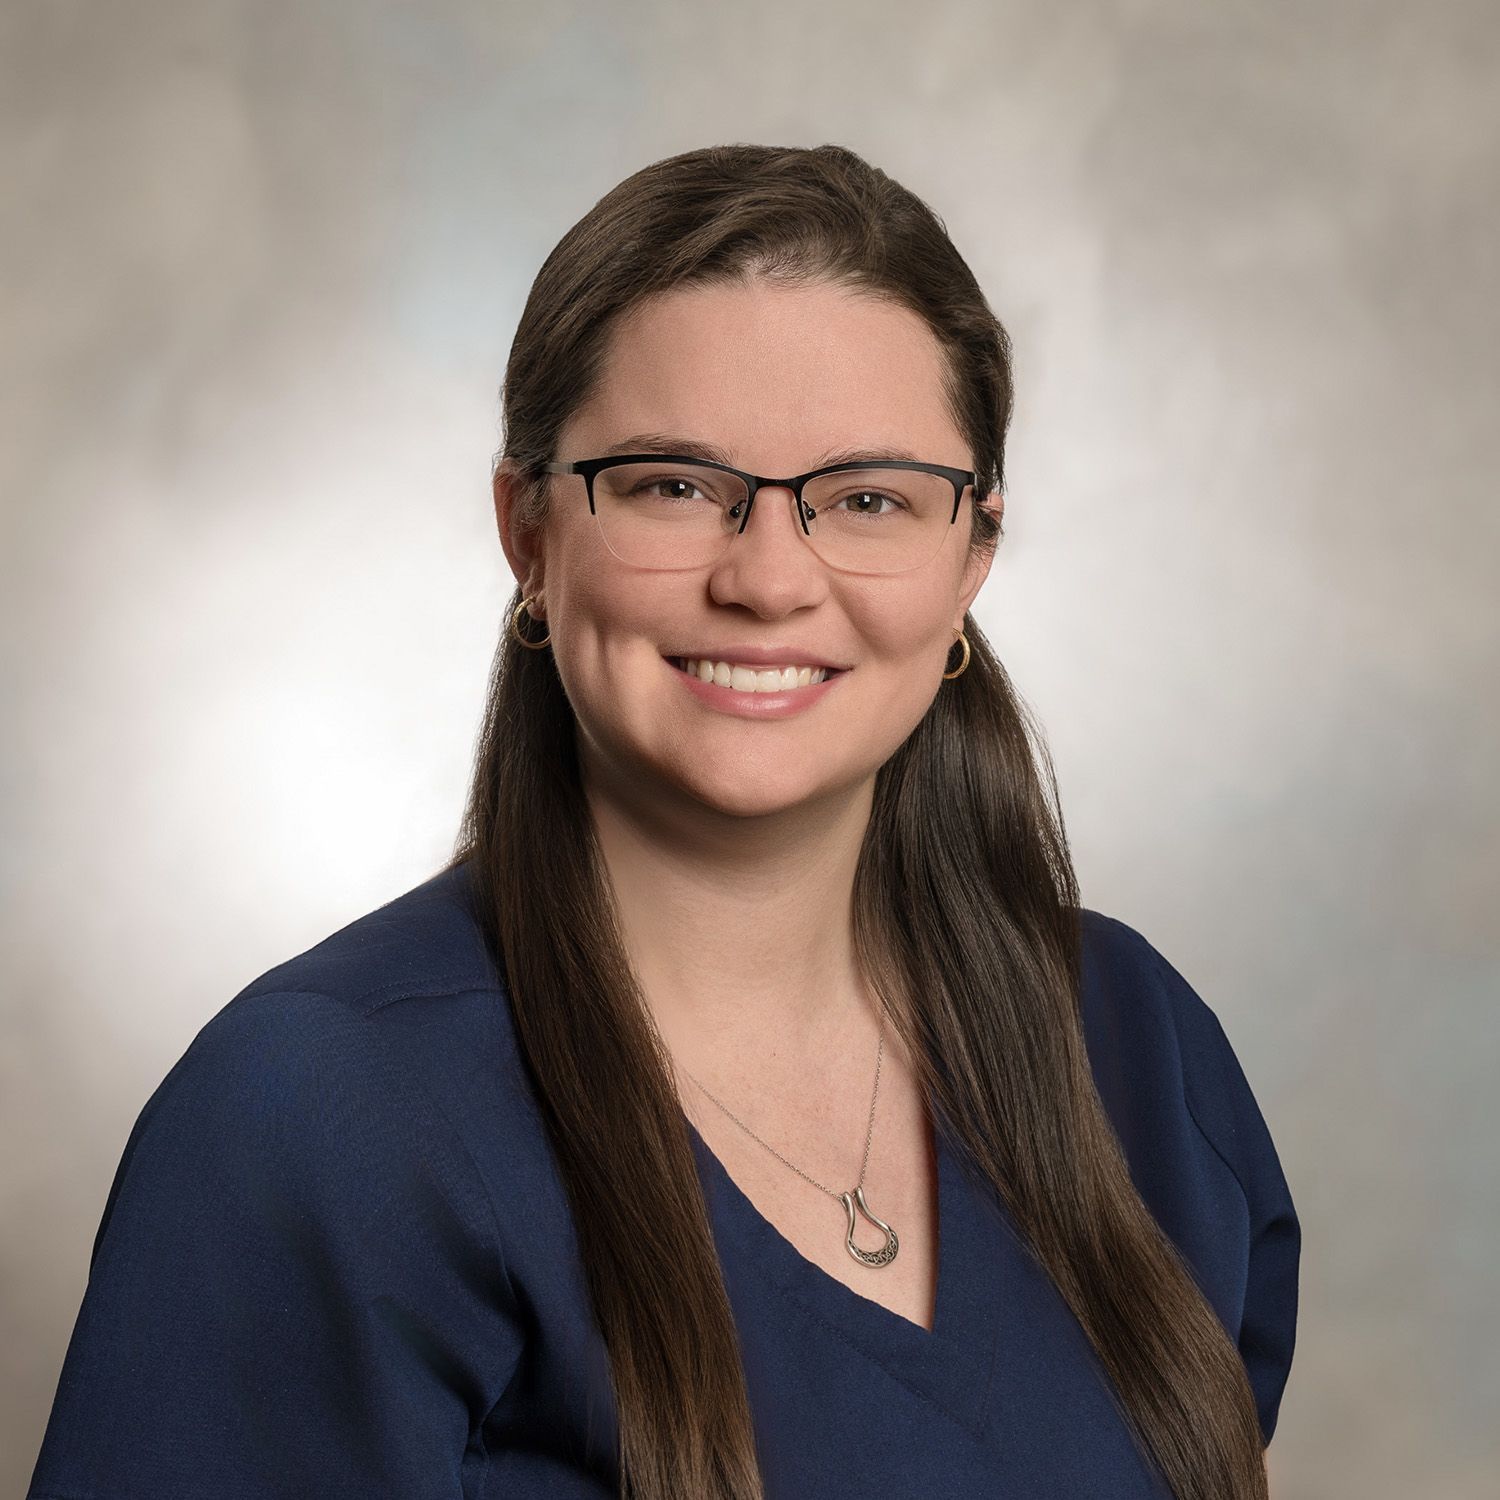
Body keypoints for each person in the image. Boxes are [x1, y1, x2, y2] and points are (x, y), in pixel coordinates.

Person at [26, 143, 1299, 1500]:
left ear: (972, 554)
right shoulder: (315, 1115)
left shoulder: (1138, 1050)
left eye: (868, 499)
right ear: (528, 532)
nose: (765, 579)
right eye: (673, 487)